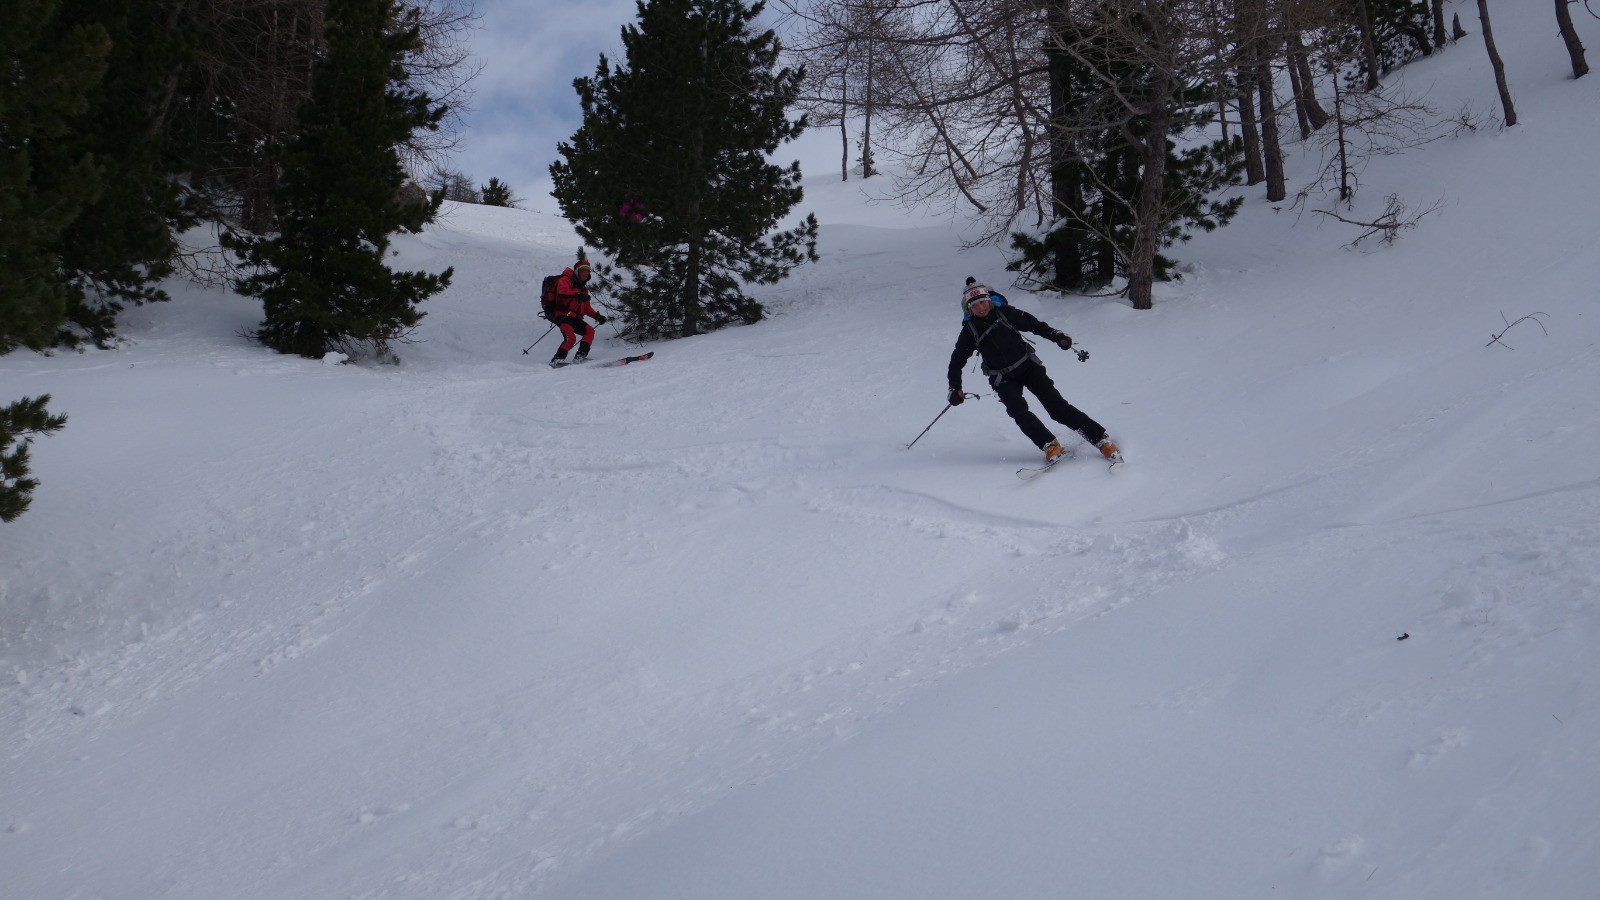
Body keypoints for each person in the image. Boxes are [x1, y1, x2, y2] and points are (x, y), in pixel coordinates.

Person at [947, 278, 1121, 464]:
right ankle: (1050, 445)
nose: (980, 308)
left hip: (1028, 367)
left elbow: (1034, 324)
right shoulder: (969, 331)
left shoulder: (1006, 313)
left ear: (988, 299)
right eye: (974, 306)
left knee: (1057, 408)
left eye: (982, 302)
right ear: (968, 309)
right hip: (1002, 378)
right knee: (1018, 412)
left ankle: (1100, 438)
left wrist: (1057, 336)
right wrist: (954, 387)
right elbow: (957, 361)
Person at [546, 258, 608, 367]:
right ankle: (556, 360)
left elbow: (587, 308)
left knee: (589, 331)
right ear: (577, 271)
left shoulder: (583, 289)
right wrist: (577, 294)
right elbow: (562, 292)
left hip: (575, 318)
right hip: (563, 316)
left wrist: (597, 316)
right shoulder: (565, 279)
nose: (585, 273)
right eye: (583, 270)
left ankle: (580, 357)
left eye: (587, 271)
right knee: (571, 338)